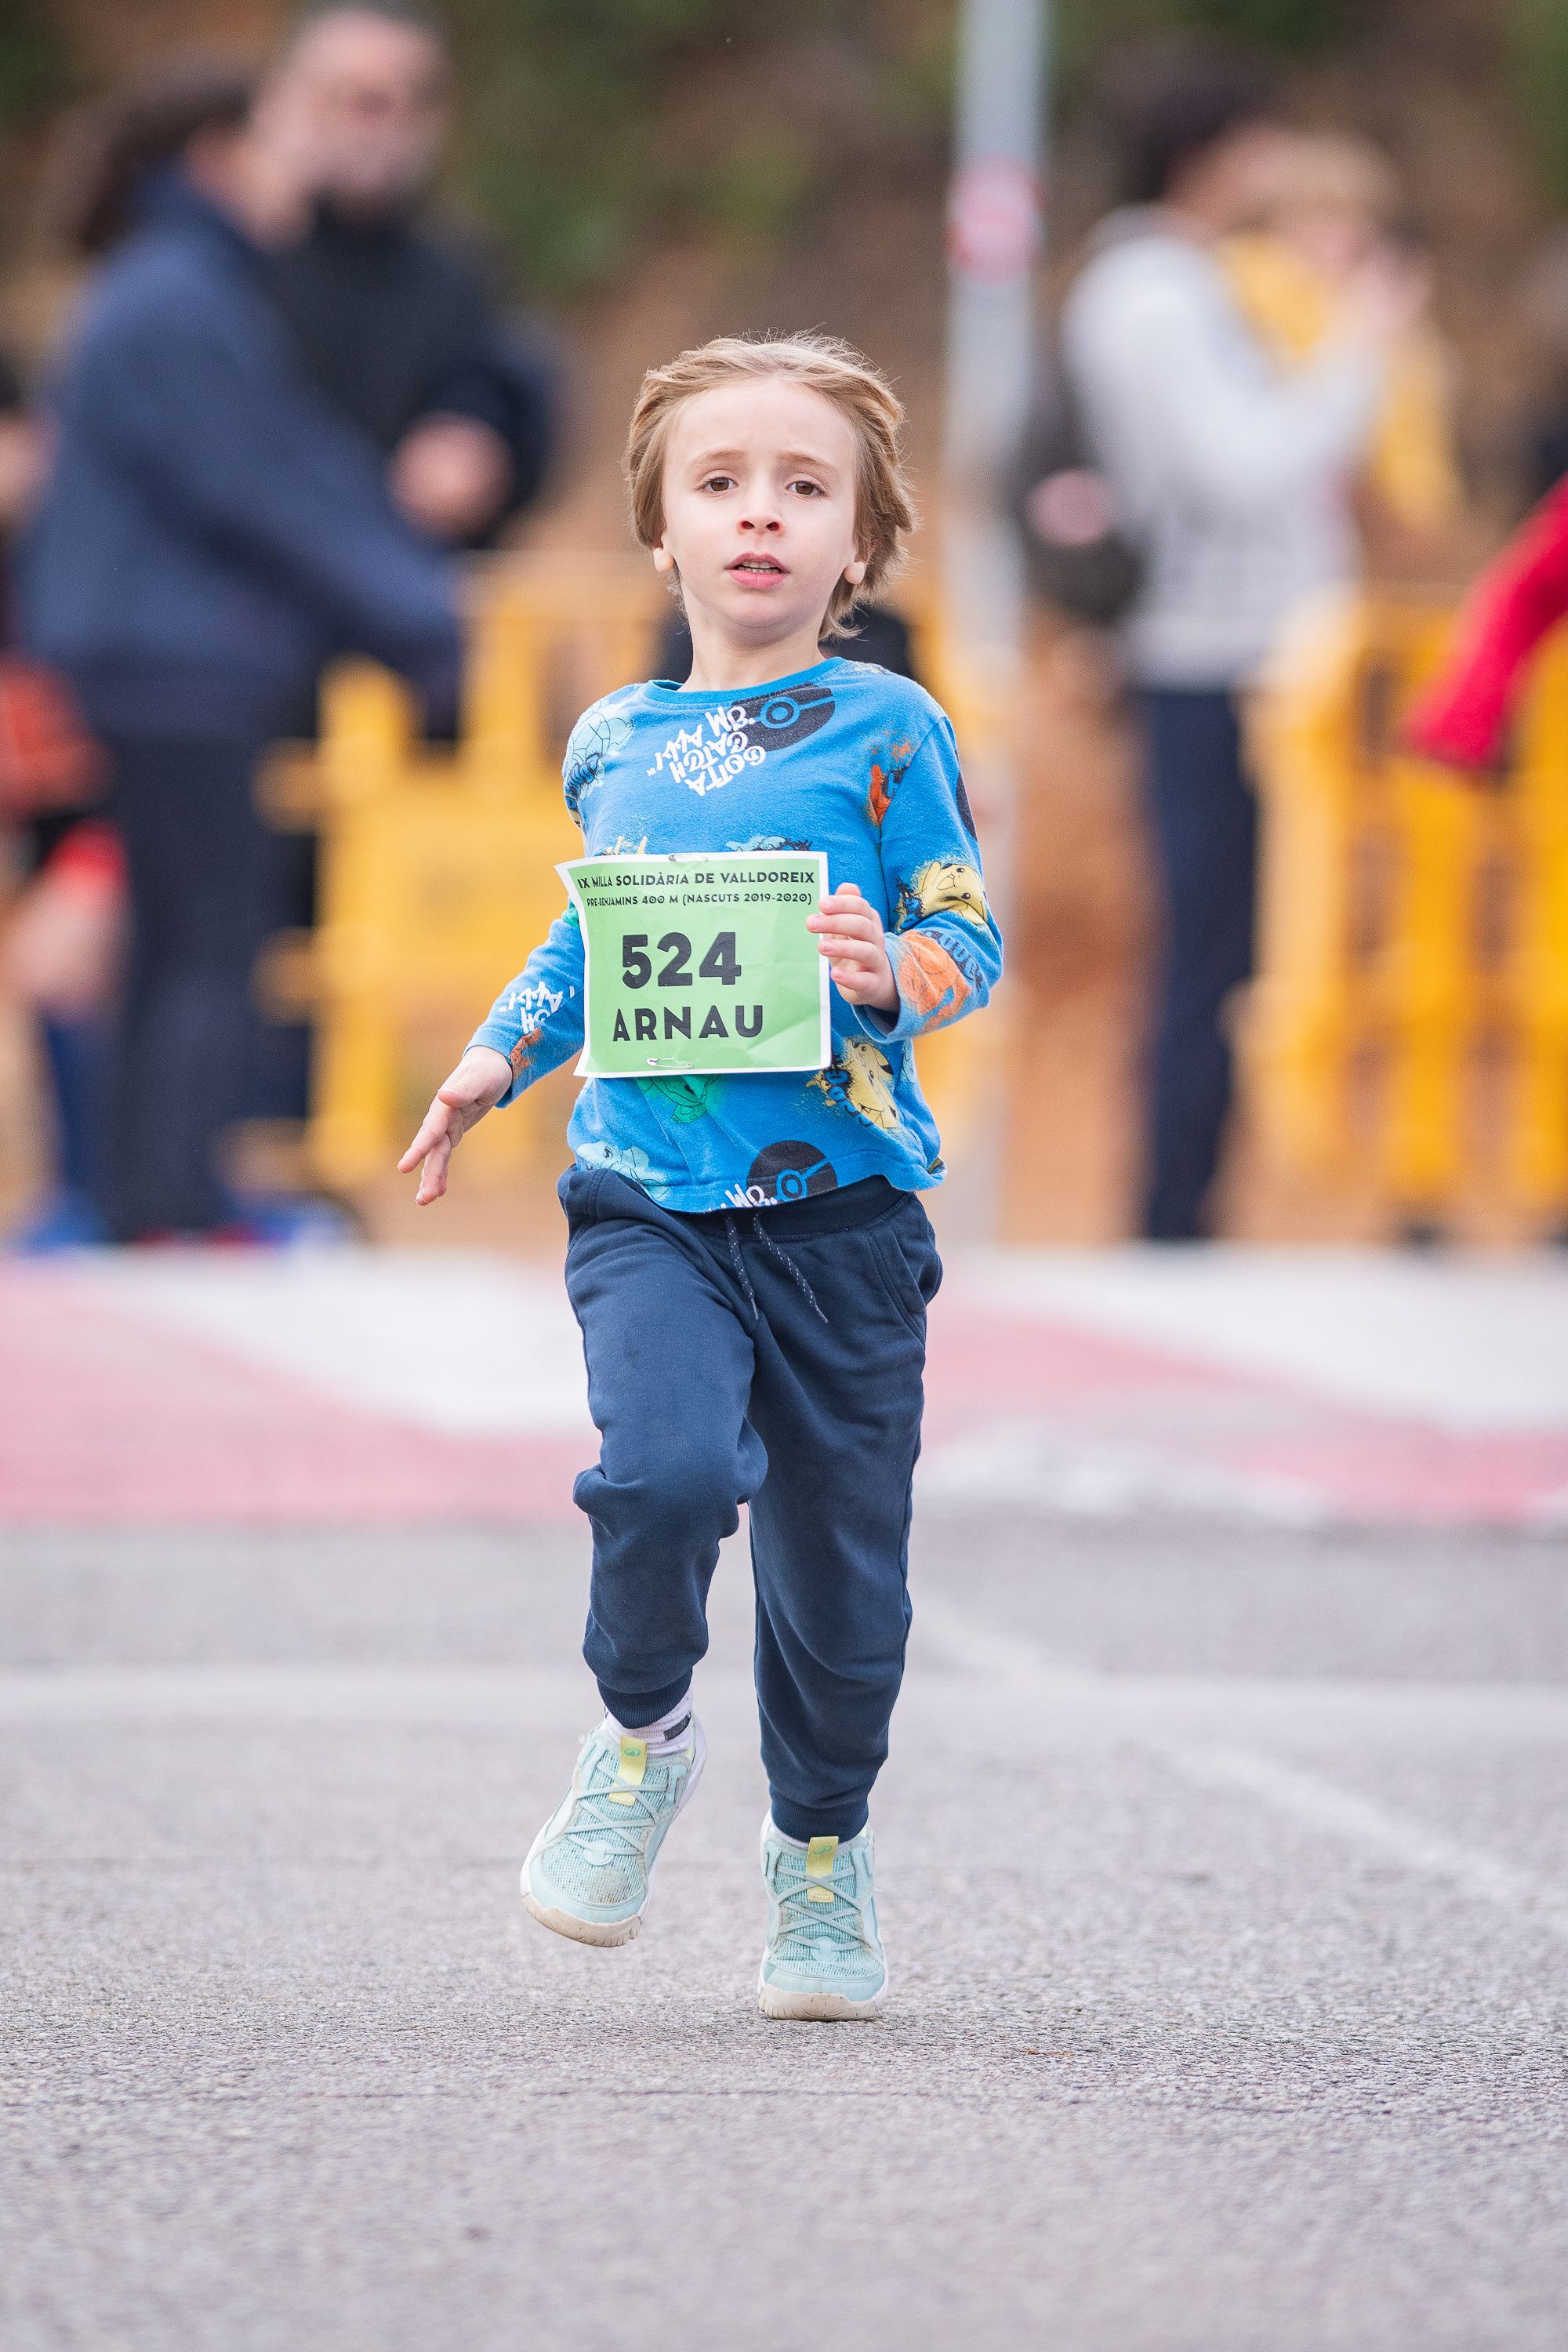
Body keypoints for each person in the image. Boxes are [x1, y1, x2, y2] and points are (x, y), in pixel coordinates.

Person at [397, 334, 1003, 2019]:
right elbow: (592, 936)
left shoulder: (892, 728)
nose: (758, 515)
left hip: (843, 1226)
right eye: (719, 483)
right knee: (661, 1476)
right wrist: (496, 1057)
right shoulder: (614, 739)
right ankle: (643, 1734)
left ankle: (819, 1852)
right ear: (658, 529)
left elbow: (968, 936)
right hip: (649, 1202)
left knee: (843, 1595)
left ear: (860, 543)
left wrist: (888, 973)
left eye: (804, 488)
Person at [19, 60, 460, 1244]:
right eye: (277, 140)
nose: (300, 169)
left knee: (170, 937)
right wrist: (421, 622)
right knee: (209, 940)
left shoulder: (157, 288)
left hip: (144, 660)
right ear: (215, 159)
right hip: (178, 668)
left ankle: (139, 1202)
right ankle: (173, 1205)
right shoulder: (179, 299)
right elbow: (271, 485)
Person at [1058, 49, 1419, 1239]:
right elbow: (1239, 466)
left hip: (1235, 655)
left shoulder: (1181, 282)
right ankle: (1173, 1213)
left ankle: (1190, 1206)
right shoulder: (1155, 291)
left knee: (1234, 938)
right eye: (1257, 143)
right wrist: (1359, 352)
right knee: (1213, 942)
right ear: (1207, 155)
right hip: (1212, 658)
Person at [263, 1, 554, 550]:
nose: (385, 124)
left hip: (403, 581)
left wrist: (480, 441)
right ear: (283, 101)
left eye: (413, 100)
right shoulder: (225, 262)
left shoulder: (458, 270)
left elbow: (503, 383)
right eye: (359, 100)